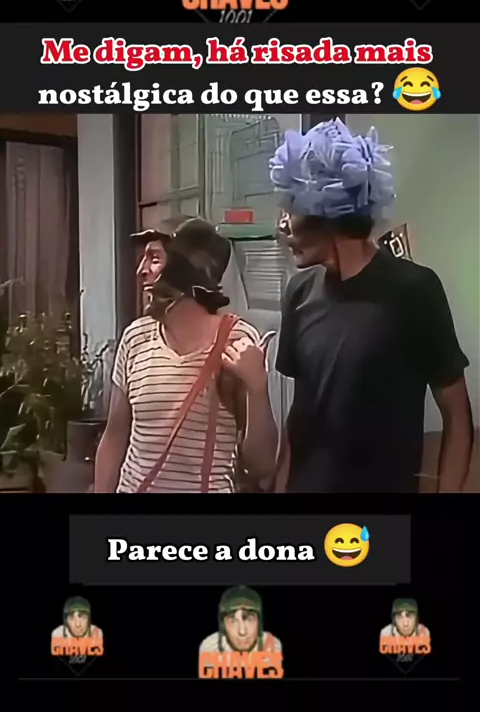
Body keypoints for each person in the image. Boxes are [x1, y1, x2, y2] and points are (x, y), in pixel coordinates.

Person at [270, 118, 473, 493]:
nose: (284, 227)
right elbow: (299, 416)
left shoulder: (413, 290)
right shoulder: (298, 292)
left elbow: (456, 413)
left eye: (292, 209)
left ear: (327, 212)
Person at [95, 217, 279, 493]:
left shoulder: (236, 341)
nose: (141, 270)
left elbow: (261, 466)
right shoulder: (136, 337)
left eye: (154, 259)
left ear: (185, 270)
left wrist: (257, 388)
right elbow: (114, 436)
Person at [199, 586, 282, 655]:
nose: (242, 631)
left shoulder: (272, 646)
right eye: (233, 621)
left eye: (250, 620)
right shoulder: (210, 649)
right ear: (223, 625)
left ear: (259, 622)